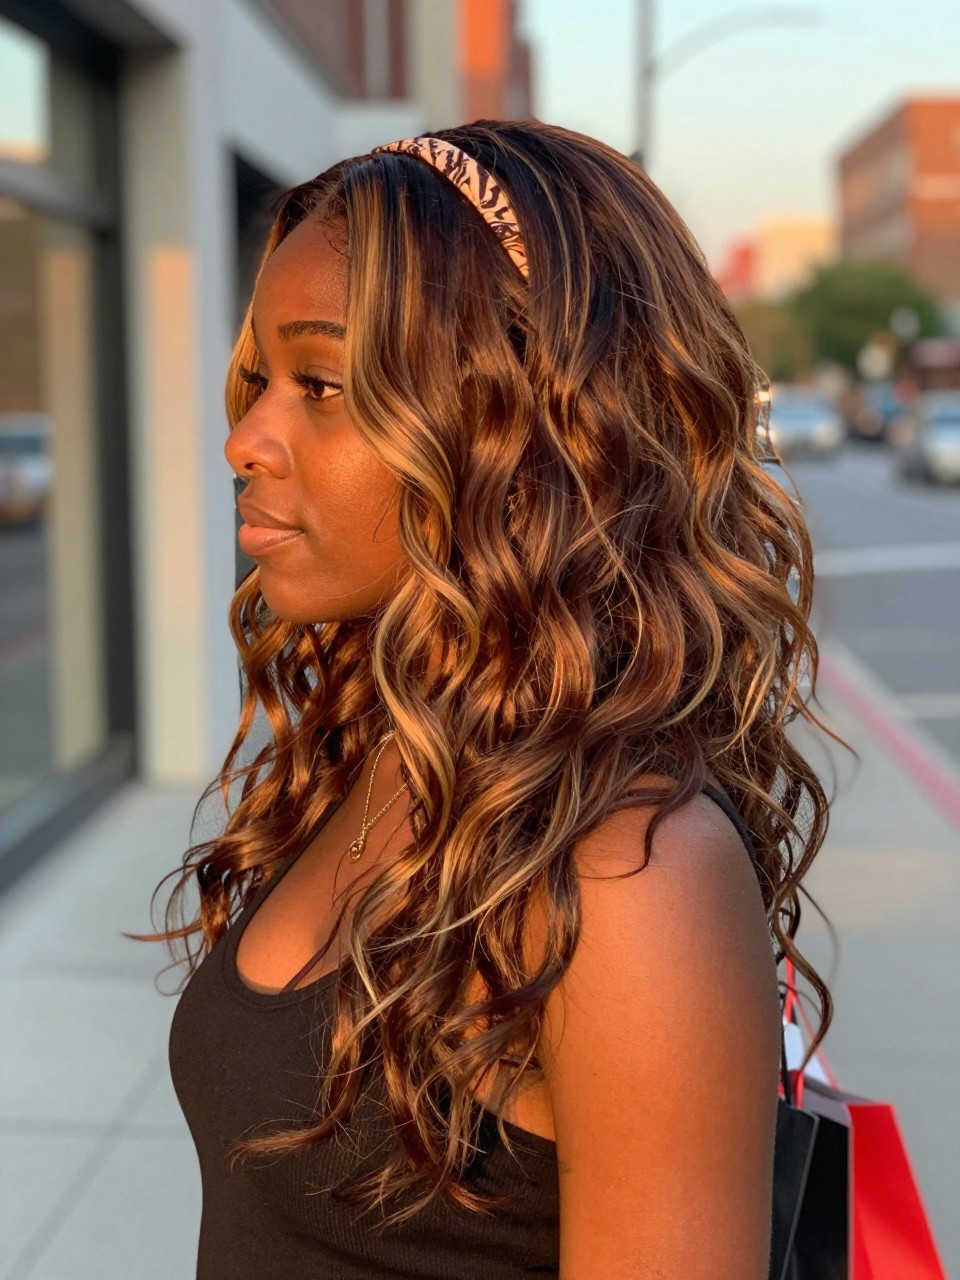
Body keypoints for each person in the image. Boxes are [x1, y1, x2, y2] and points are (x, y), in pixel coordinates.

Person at [155, 119, 837, 1279]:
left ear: (521, 429)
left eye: (321, 384)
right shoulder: (385, 736)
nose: (244, 438)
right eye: (259, 376)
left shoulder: (629, 870)